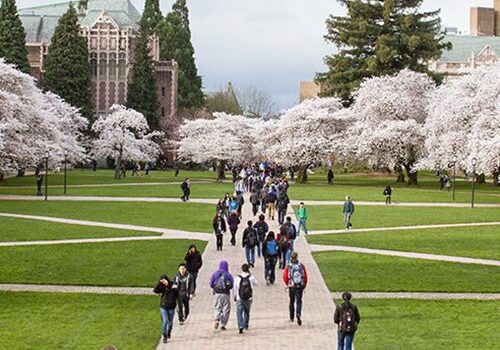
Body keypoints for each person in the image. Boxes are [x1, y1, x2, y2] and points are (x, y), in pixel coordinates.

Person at [283, 252, 308, 326]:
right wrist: (304, 285)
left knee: (291, 301)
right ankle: (298, 313)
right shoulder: (301, 265)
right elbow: (305, 276)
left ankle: (291, 316)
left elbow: (284, 277)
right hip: (299, 286)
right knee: (299, 301)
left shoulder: (289, 266)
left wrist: (288, 283)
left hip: (292, 286)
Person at [153, 274, 179, 343]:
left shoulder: (173, 286)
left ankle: (169, 331)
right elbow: (155, 290)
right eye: (163, 281)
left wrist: (178, 306)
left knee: (170, 323)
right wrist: (159, 283)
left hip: (171, 307)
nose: (164, 282)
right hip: (163, 306)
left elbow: (177, 296)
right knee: (165, 321)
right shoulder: (161, 286)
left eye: (165, 281)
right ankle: (164, 335)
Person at [233, 263, 258, 334]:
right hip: (248, 298)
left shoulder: (237, 278)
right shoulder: (251, 277)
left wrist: (234, 296)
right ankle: (246, 324)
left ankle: (240, 326)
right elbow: (256, 283)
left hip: (239, 297)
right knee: (247, 312)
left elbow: (234, 288)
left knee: (239, 312)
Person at [210, 260, 234, 330]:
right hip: (226, 294)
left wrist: (214, 288)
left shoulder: (215, 274)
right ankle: (223, 324)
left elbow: (211, 284)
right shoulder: (228, 274)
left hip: (217, 293)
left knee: (217, 307)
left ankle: (217, 318)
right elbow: (232, 285)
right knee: (226, 309)